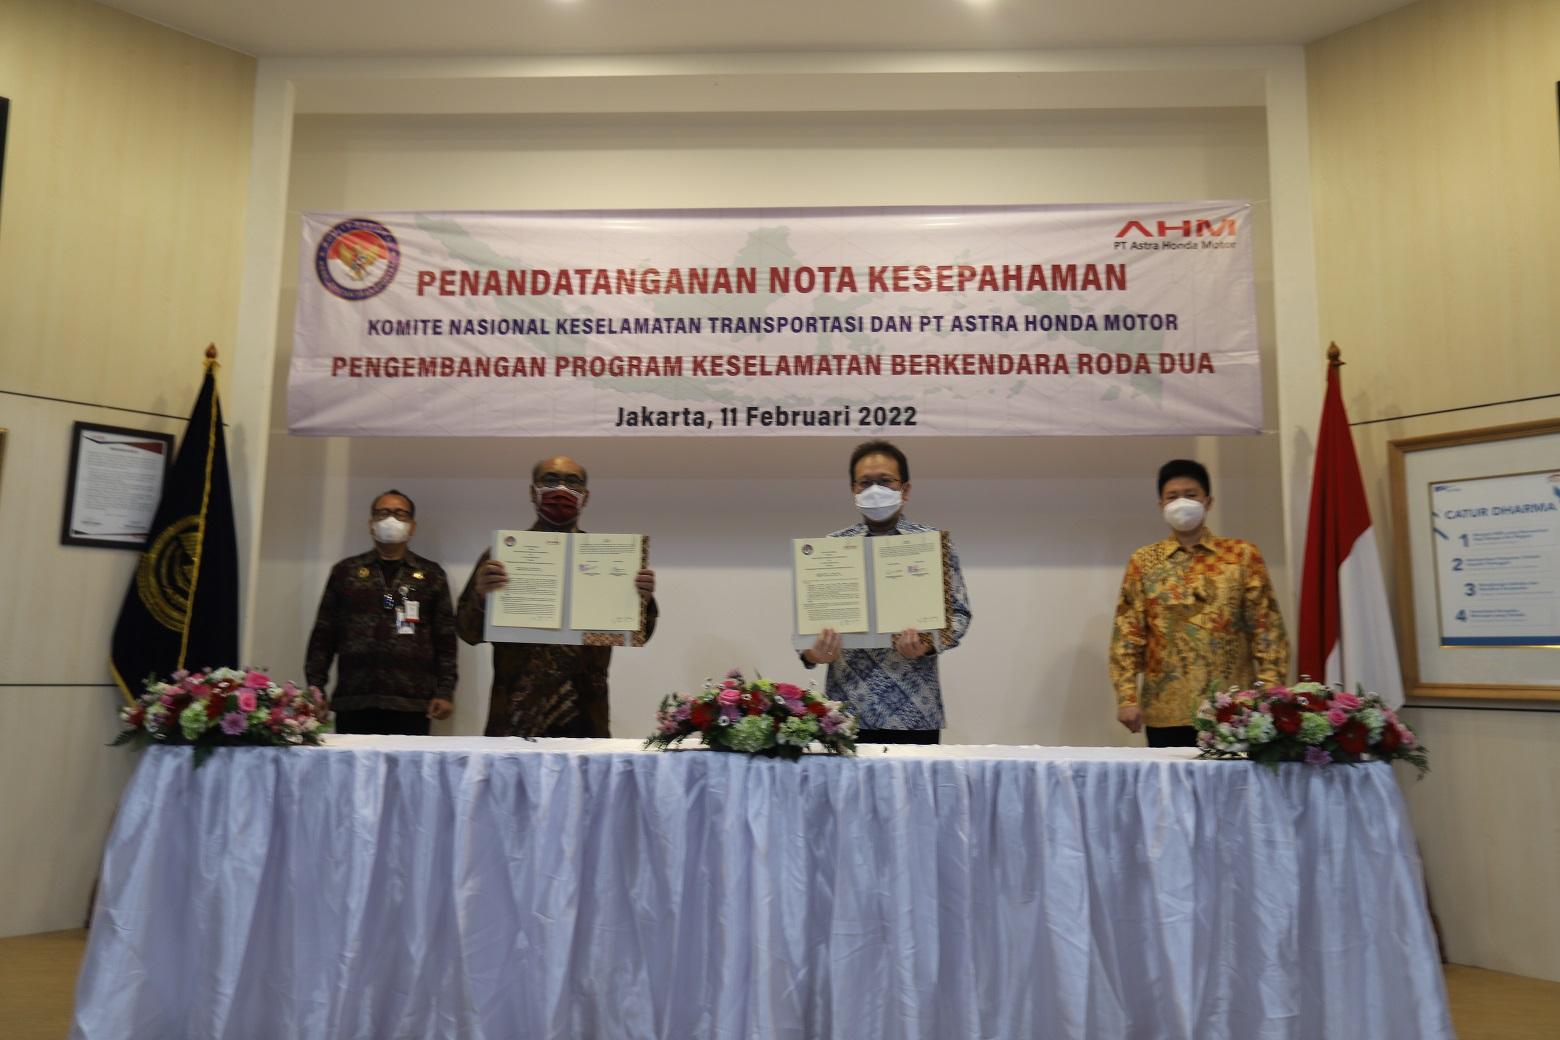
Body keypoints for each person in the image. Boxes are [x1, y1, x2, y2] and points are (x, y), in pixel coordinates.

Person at [457, 455, 657, 737]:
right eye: (550, 480)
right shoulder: (501, 558)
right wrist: (480, 597)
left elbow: (639, 635)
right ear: (532, 492)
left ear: (586, 496)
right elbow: (467, 633)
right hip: (514, 718)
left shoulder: (610, 559)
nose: (561, 489)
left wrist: (642, 600)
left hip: (585, 717)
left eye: (573, 482)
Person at [1109, 459, 1290, 747]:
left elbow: (1267, 629)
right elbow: (1128, 633)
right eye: (1172, 496)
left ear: (1208, 501)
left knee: (1235, 777)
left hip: (1233, 708)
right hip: (1166, 710)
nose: (1181, 502)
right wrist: (1127, 697)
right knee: (1171, 777)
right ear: (1161, 505)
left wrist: (1270, 691)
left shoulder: (1242, 555)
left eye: (1190, 494)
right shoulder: (1143, 561)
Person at [802, 440, 972, 743]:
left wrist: (927, 644)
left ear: (905, 489)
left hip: (915, 711)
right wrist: (812, 652)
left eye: (885, 481)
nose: (875, 490)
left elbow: (959, 614)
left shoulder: (931, 545)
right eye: (865, 483)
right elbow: (808, 626)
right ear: (853, 490)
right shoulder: (831, 548)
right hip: (845, 713)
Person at [305, 489, 457, 734]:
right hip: (354, 698)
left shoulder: (431, 575)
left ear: (412, 526)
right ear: (371, 524)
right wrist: (316, 688)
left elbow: (445, 639)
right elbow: (324, 634)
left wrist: (445, 691)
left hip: (412, 702)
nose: (391, 519)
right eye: (383, 513)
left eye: (400, 514)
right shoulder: (346, 572)